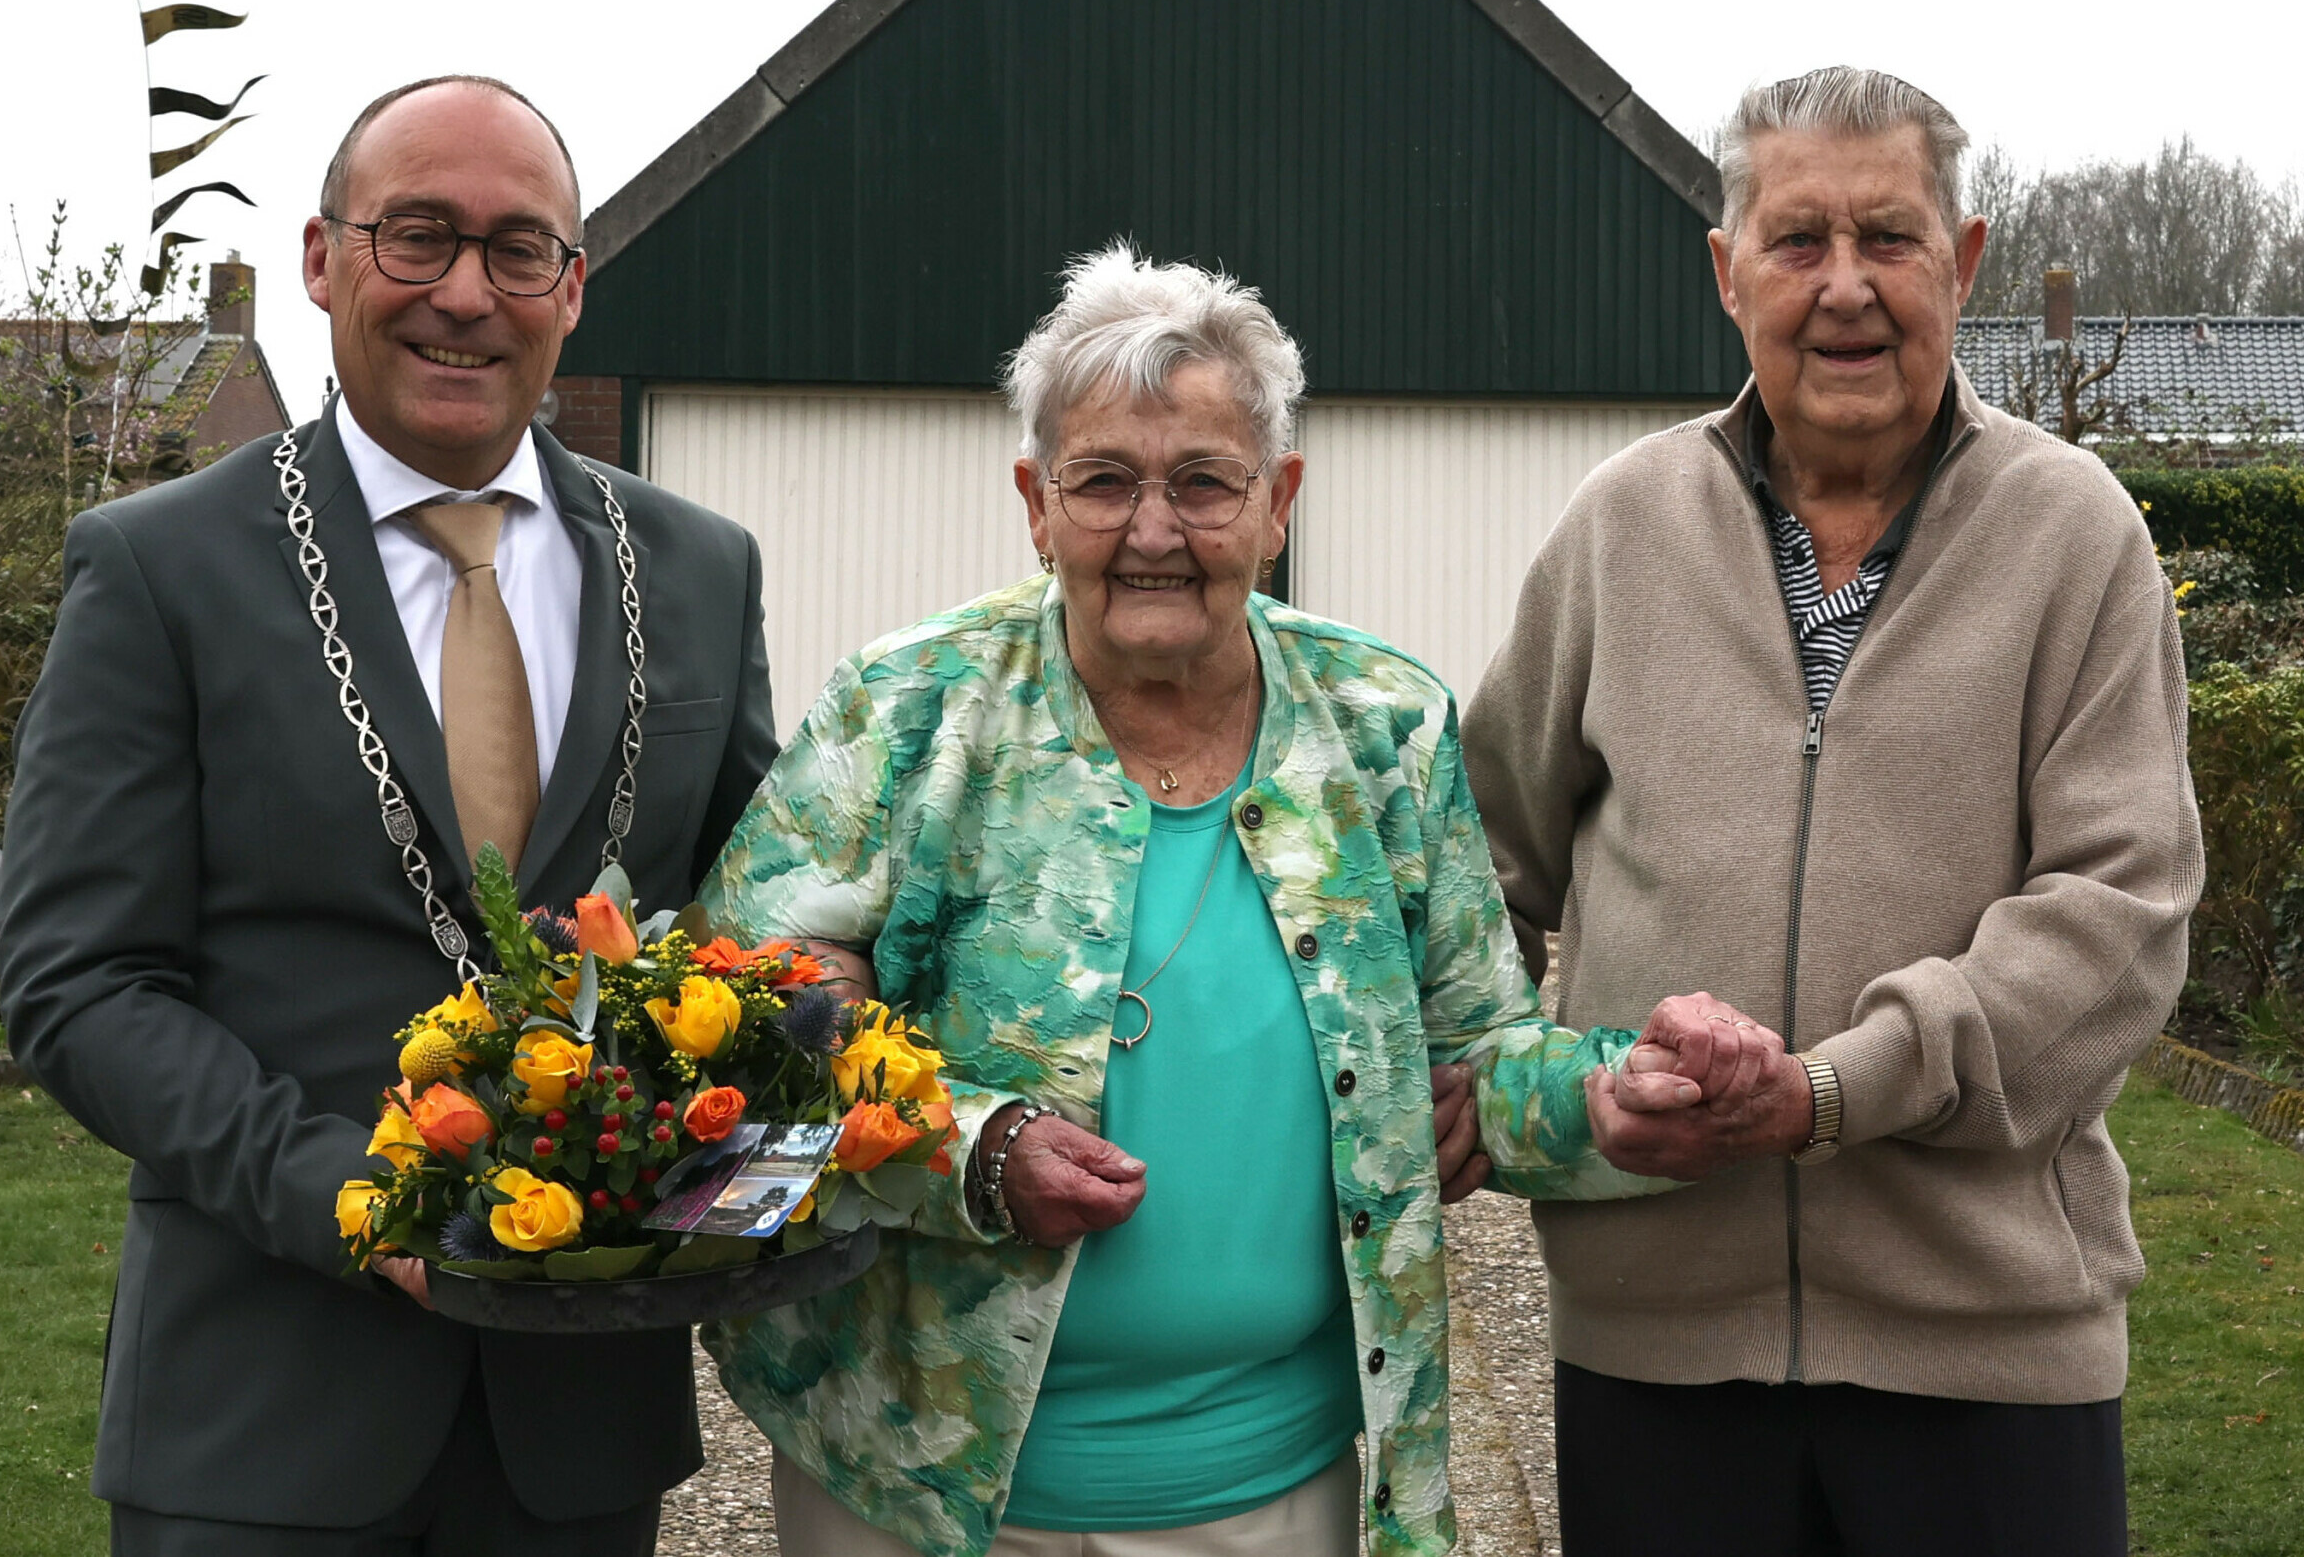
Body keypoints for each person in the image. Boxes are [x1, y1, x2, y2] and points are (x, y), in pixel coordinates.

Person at [696, 246, 1761, 1557]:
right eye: (1103, 482)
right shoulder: (906, 709)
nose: (1155, 530)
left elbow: (1474, 1066)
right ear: (1036, 502)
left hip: (1266, 1488)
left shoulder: (1381, 727)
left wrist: (1611, 1099)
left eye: (1204, 481)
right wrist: (963, 1142)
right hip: (912, 1489)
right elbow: (739, 1019)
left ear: (1280, 502)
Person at [0, 75, 778, 1555]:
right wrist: (356, 1197)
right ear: (321, 258)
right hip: (261, 1413)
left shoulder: (695, 567)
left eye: (517, 248)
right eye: (416, 237)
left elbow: (765, 922)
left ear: (575, 286)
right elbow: (79, 981)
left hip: (579, 1424)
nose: (467, 294)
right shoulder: (161, 570)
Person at [1462, 65, 2205, 1557]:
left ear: (1966, 260)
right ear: (1726, 272)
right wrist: (1520, 1085)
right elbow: (1479, 864)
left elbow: (2120, 913)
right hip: (1653, 1350)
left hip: (1988, 1356)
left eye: (1892, 236)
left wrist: (1836, 1088)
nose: (1847, 287)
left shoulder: (2075, 535)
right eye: (1799, 241)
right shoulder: (1621, 527)